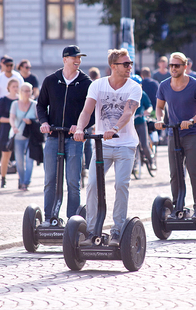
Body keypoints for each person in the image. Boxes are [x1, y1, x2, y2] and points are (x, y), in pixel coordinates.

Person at [74, 48, 142, 246]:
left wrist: (113, 128)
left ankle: (117, 231)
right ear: (113, 66)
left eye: (130, 64)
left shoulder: (134, 87)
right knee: (93, 184)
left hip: (125, 145)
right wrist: (80, 129)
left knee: (121, 185)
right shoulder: (97, 85)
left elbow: (128, 113)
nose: (130, 67)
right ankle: (92, 230)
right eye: (126, 64)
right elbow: (87, 111)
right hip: (102, 145)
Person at [37, 45, 93, 227]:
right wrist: (44, 122)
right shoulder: (51, 80)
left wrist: (81, 126)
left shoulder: (86, 83)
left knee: (73, 181)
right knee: (50, 180)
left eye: (80, 58)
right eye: (74, 57)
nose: (78, 61)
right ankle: (49, 218)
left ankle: (72, 222)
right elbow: (40, 105)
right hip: (54, 136)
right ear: (65, 59)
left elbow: (92, 111)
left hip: (75, 139)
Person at [155, 51, 196, 217]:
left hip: (192, 133)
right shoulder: (164, 85)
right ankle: (177, 207)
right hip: (174, 133)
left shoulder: (195, 85)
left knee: (193, 169)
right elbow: (159, 107)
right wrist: (160, 119)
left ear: (185, 66)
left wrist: (192, 120)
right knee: (175, 173)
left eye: (176, 65)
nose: (173, 68)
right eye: (171, 65)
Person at [10, 82, 38, 191]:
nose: (27, 93)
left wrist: (31, 122)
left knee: (30, 159)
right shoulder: (15, 104)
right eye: (25, 91)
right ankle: (21, 180)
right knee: (19, 160)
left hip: (31, 137)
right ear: (20, 92)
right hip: (18, 136)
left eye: (29, 91)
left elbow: (39, 119)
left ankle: (26, 182)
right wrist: (13, 127)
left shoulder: (35, 104)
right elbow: (11, 117)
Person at [0, 79, 19, 188]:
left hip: (19, 130)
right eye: (13, 86)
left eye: (17, 86)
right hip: (6, 130)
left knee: (20, 156)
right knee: (5, 155)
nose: (16, 88)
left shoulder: (21, 100)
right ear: (8, 87)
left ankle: (21, 180)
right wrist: (11, 120)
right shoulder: (3, 100)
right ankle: (3, 178)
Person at [131, 74, 156, 170]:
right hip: (131, 124)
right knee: (132, 145)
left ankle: (151, 162)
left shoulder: (142, 94)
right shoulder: (128, 94)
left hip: (141, 122)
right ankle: (133, 165)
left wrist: (147, 112)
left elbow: (149, 106)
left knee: (144, 145)